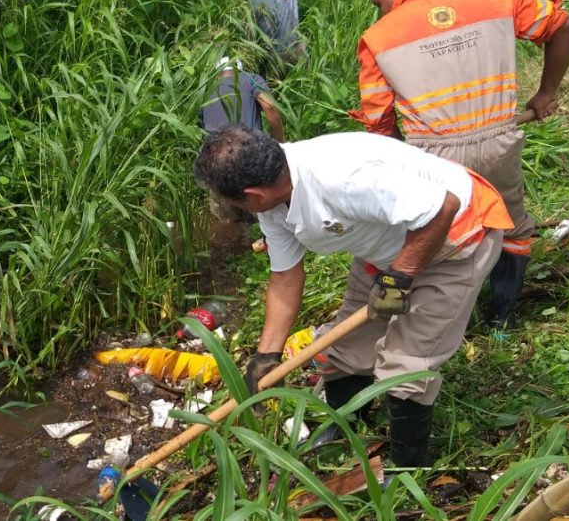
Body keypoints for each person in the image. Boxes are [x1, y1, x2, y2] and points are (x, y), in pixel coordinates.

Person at [193, 125, 512, 466]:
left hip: (457, 237)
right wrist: (267, 355)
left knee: (405, 363)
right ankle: (343, 424)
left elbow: (442, 207)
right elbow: (285, 275)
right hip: (389, 246)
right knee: (344, 348)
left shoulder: (340, 178)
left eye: (230, 201)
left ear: (253, 194)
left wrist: (400, 278)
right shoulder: (274, 198)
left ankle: (407, 469)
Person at [350, 0, 569, 329]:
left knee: (432, 237)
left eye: (380, 4)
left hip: (433, 156)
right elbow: (562, 25)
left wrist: (395, 160)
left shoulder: (378, 38)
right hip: (500, 139)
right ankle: (502, 324)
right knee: (512, 229)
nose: (381, 13)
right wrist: (545, 92)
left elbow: (377, 118)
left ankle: (438, 327)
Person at [249, 0, 325, 70]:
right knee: (275, 87)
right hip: (274, 57)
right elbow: (250, 34)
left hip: (296, 47)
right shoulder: (254, 0)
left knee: (305, 79)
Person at [201, 56, 285, 142]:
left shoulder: (204, 91)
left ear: (217, 73)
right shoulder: (251, 79)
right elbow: (269, 106)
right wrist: (279, 142)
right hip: (247, 148)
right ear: (240, 68)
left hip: (216, 151)